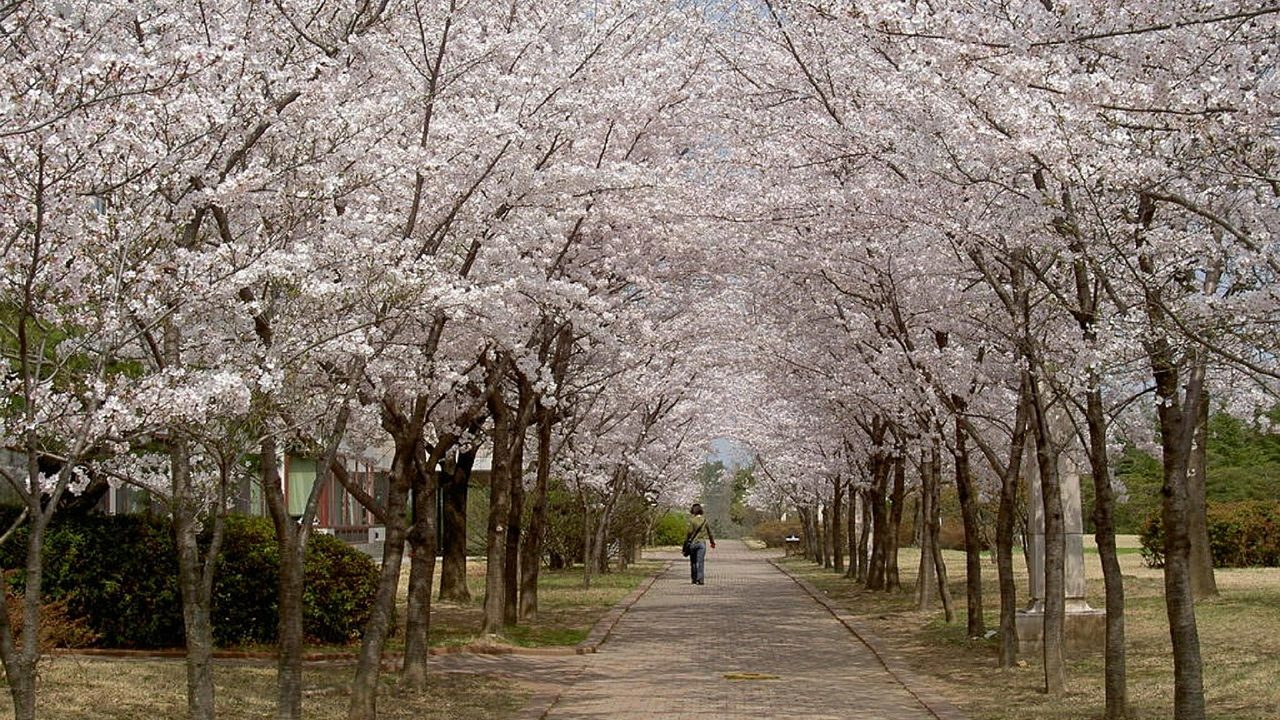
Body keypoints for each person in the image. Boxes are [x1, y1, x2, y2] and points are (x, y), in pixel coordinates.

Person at [685, 503, 716, 585]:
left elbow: (689, 532)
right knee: (700, 562)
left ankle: (694, 579)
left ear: (693, 511)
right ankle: (701, 579)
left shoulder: (692, 520)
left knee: (693, 562)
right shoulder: (705, 520)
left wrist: (686, 542)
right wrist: (712, 543)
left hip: (693, 543)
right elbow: (710, 533)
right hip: (702, 544)